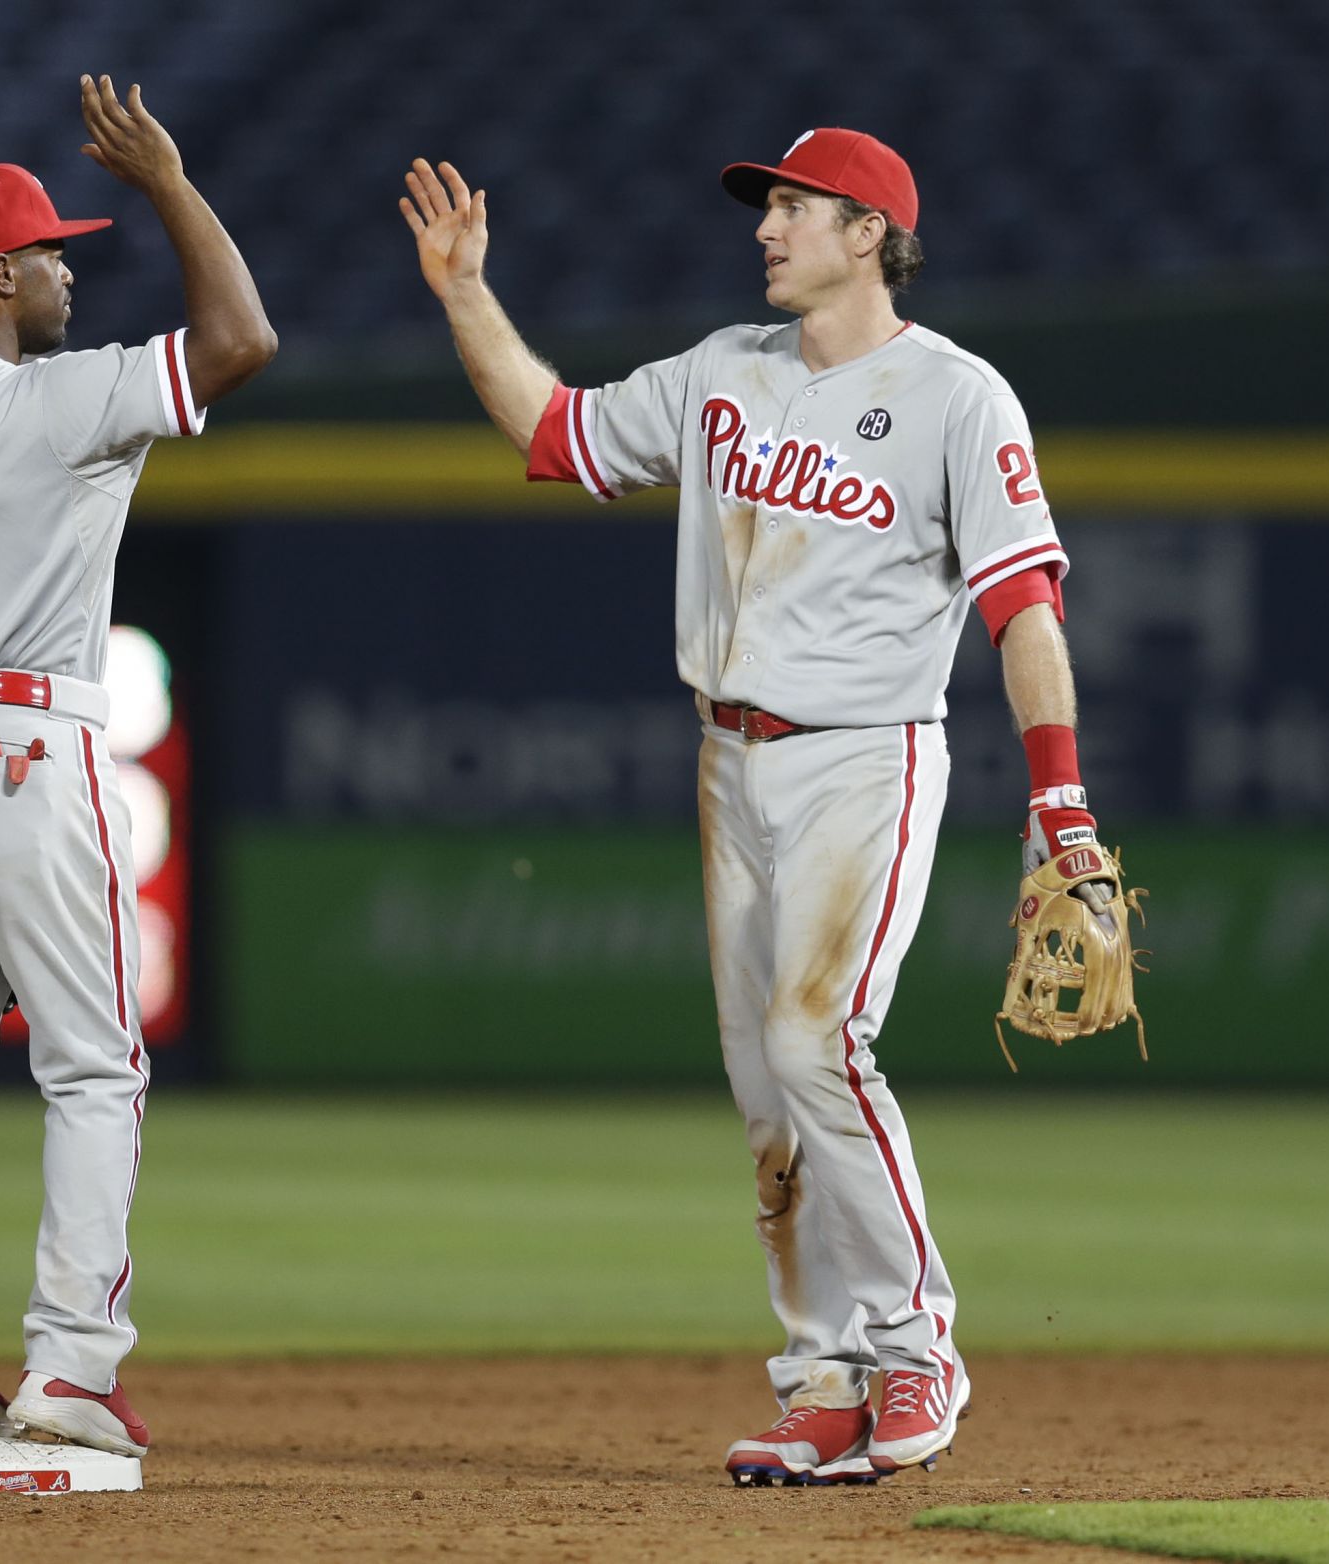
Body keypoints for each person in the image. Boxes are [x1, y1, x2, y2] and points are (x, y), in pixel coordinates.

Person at [401, 129, 1113, 1485]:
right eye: (769, 205)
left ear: (870, 233)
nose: (766, 227)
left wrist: (1062, 799)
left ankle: (919, 1350)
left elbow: (1024, 602)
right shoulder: (723, 370)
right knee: (766, 1098)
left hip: (866, 755)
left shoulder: (960, 398)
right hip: (729, 760)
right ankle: (825, 1378)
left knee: (818, 1042)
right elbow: (554, 434)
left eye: (794, 206)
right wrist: (464, 295)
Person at [0, 76, 275, 1457]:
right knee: (90, 1064)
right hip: (24, 738)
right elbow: (241, 338)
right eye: (57, 250)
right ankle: (72, 1367)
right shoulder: (58, 401)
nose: (73, 269)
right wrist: (170, 182)